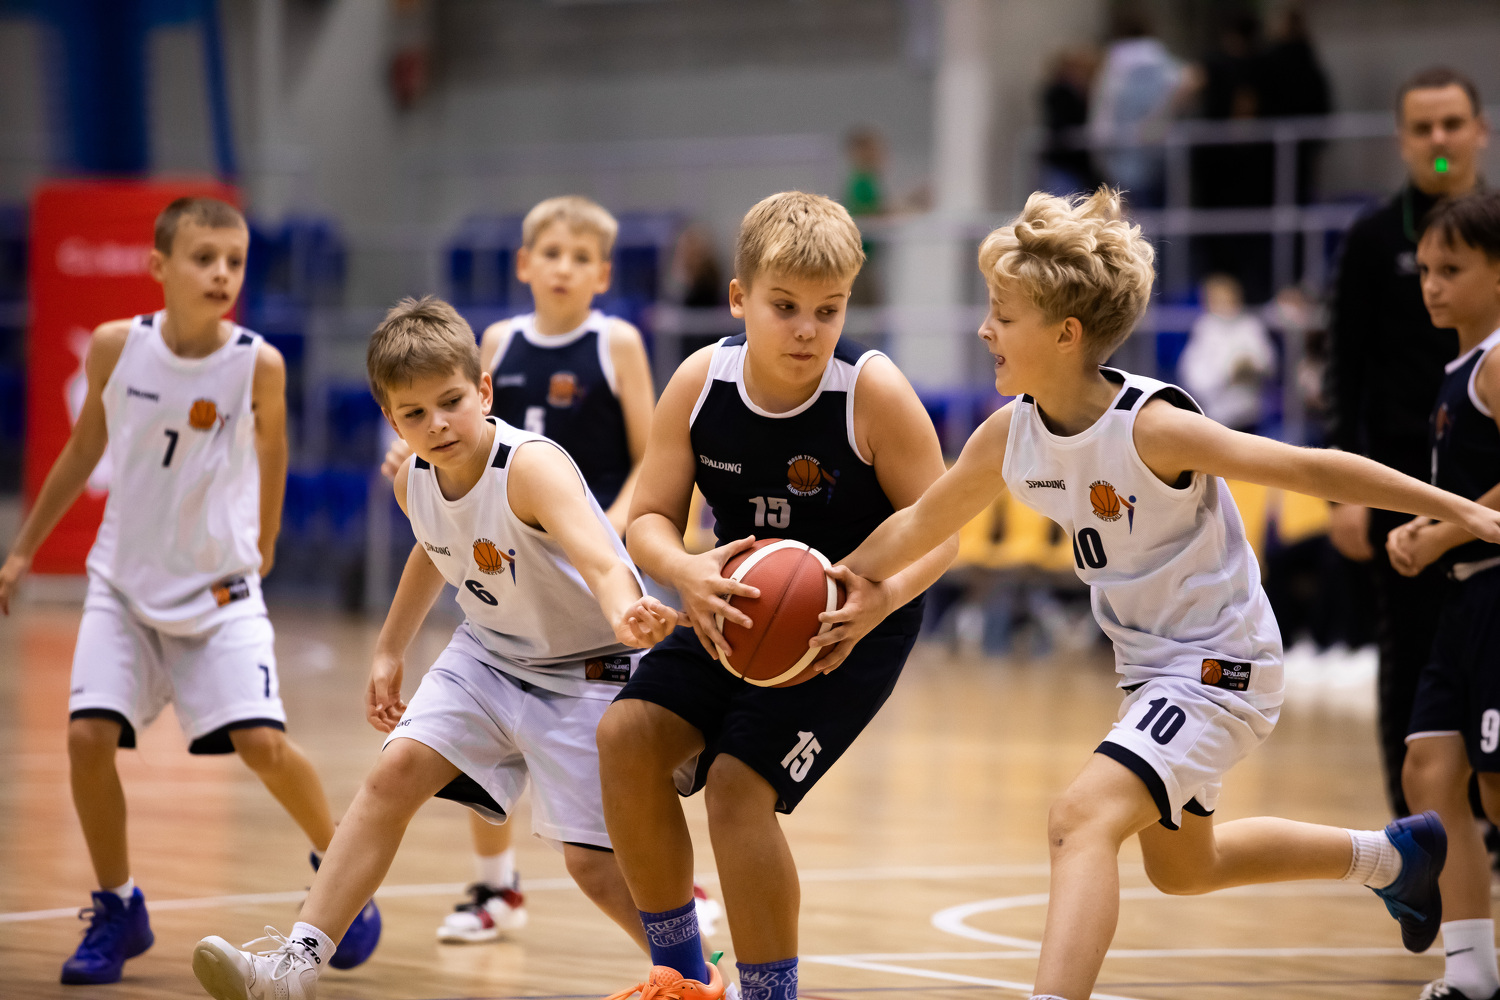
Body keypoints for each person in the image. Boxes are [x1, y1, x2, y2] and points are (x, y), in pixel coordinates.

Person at [833, 187, 1500, 1000]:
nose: (984, 330)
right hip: (1151, 673)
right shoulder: (1011, 435)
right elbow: (918, 523)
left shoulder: (1152, 428)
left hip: (1221, 666)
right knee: (1186, 868)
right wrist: (840, 585)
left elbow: (1310, 467)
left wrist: (1459, 508)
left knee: (1080, 819)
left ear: (1066, 334)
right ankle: (1392, 858)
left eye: (1002, 316)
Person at [191, 296, 678, 1000]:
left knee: (593, 867)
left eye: (451, 402)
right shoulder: (411, 479)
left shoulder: (530, 468)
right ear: (392, 422)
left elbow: (601, 558)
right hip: (491, 654)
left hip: (590, 666)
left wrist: (625, 609)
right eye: (414, 413)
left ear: (484, 391)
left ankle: (701, 976)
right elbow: (433, 545)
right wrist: (390, 648)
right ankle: (292, 969)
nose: (437, 423)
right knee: (391, 777)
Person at [0, 197, 381, 984]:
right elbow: (83, 448)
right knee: (86, 738)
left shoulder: (256, 363)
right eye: (204, 258)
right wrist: (23, 549)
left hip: (218, 589)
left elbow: (274, 453)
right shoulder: (117, 347)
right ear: (160, 266)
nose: (221, 273)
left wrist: (265, 541)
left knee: (263, 746)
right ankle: (119, 908)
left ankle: (339, 874)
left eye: (234, 261)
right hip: (122, 583)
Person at [594, 191, 957, 1000]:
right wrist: (686, 570)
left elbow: (943, 534)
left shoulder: (873, 392)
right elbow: (647, 519)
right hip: (733, 602)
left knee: (736, 788)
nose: (807, 329)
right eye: (784, 306)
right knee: (624, 737)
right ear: (739, 297)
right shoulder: (700, 382)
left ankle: (769, 994)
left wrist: (880, 598)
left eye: (828, 311)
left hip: (849, 625)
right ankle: (684, 977)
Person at [379, 195, 700, 943]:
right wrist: (420, 447)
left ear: (603, 274)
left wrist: (604, 525)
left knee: (611, 741)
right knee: (478, 708)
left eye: (581, 258)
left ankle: (665, 882)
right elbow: (462, 431)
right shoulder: (497, 341)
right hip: (509, 550)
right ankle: (495, 885)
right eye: (552, 254)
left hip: (595, 555)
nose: (564, 268)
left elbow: (652, 453)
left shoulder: (616, 341)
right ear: (524, 264)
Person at [1326, 67, 1490, 819]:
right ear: (1401, 141)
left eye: (1452, 124)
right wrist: (1343, 495)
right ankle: (1417, 828)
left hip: (1489, 473)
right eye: (1423, 129)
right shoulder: (1371, 239)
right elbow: (1345, 369)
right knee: (1413, 655)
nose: (1439, 141)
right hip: (1400, 480)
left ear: (1480, 131)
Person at [1384, 192, 1500, 1000]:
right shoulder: (1458, 368)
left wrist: (1443, 532)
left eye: (1451, 269)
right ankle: (1471, 970)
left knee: (1495, 786)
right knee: (1428, 772)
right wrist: (1422, 528)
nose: (1432, 284)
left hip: (1497, 592)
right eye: (1425, 268)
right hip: (1463, 603)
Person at [1176, 273, 1277, 433]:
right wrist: (1228, 372)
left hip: (1251, 414)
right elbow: (1192, 377)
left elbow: (1269, 362)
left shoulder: (1250, 325)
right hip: (1218, 416)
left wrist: (1253, 366)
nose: (1225, 305)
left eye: (1229, 298)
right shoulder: (1204, 329)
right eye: (1219, 300)